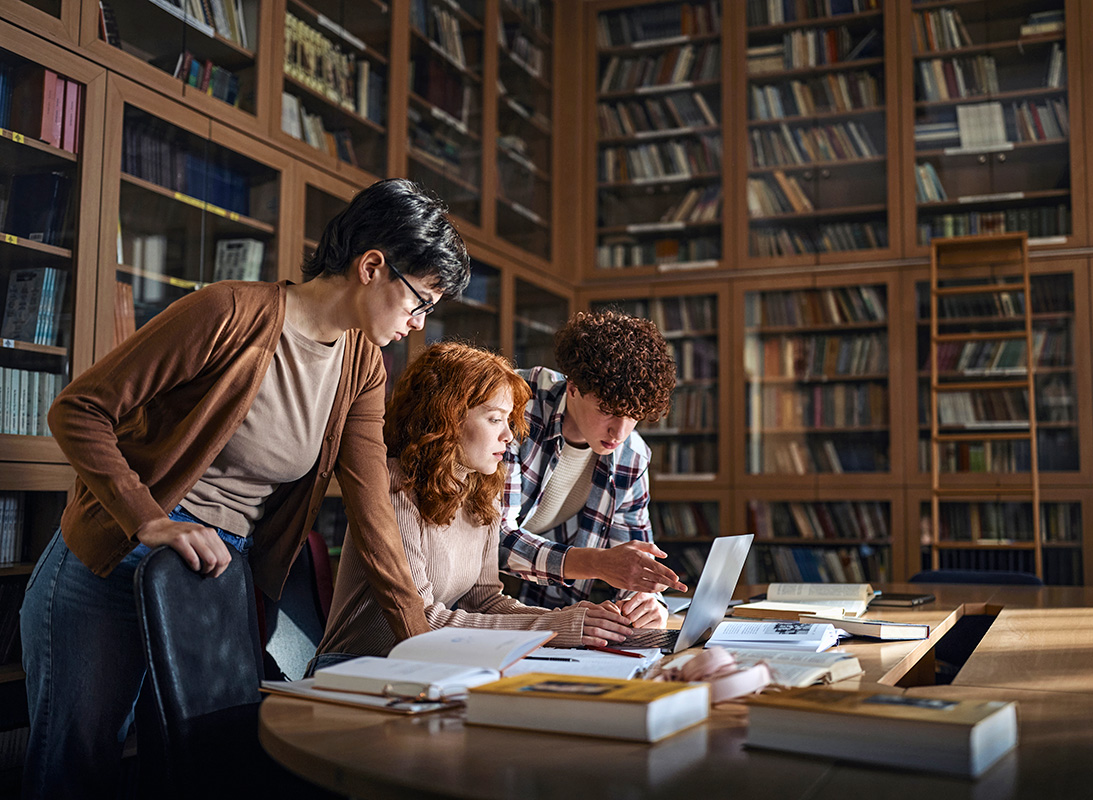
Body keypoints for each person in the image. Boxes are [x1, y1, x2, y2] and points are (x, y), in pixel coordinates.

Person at [19, 178, 469, 799]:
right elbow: (79, 410)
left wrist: (421, 643)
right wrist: (149, 519)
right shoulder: (228, 312)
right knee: (80, 762)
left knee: (189, 765)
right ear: (372, 266)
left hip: (213, 575)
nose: (418, 325)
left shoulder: (363, 364)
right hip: (118, 555)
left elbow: (374, 516)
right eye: (418, 303)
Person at [314, 342, 635, 666]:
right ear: (448, 418)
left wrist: (576, 620)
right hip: (351, 667)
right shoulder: (397, 487)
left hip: (424, 668)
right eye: (495, 419)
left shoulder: (481, 490)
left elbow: (484, 600)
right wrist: (558, 626)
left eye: (509, 420)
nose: (509, 436)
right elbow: (425, 621)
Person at [500, 309, 686, 628]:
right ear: (572, 387)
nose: (620, 432)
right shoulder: (513, 405)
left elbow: (633, 551)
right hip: (470, 601)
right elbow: (490, 540)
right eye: (607, 411)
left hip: (549, 613)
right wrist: (597, 564)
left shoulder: (632, 454)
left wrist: (648, 601)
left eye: (634, 416)